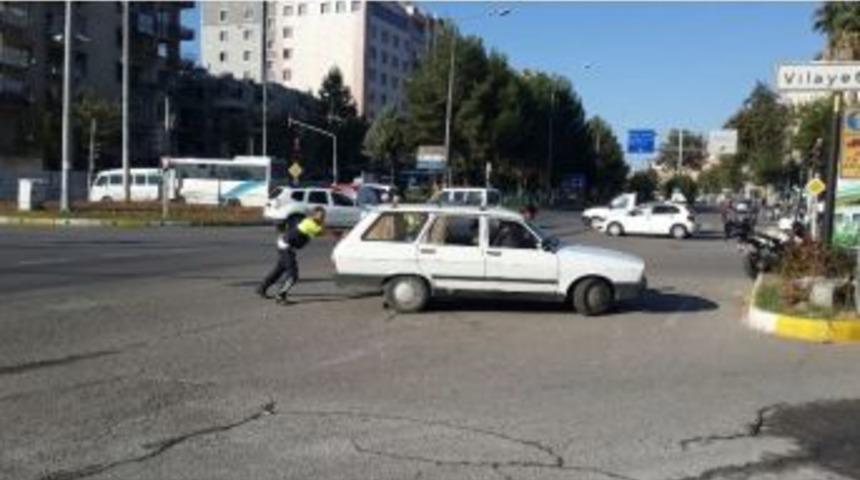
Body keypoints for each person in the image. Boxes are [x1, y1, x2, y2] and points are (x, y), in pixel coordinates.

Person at [257, 207, 326, 304]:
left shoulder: (312, 223)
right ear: (314, 215)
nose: (322, 217)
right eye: (320, 215)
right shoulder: (310, 223)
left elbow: (318, 233)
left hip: (284, 244)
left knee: (278, 270)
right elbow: (322, 232)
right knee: (293, 276)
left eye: (323, 215)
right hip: (286, 246)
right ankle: (280, 296)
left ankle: (262, 288)